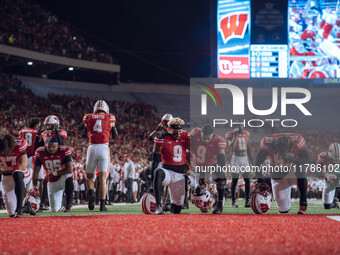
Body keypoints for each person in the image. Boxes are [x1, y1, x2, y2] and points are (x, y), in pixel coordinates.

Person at [254, 134, 310, 214]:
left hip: (293, 169)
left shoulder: (297, 142)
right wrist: (260, 181)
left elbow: (306, 161)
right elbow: (257, 162)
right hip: (278, 172)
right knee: (283, 209)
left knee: (300, 170)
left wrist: (289, 158)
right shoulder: (267, 143)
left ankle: (303, 204)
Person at [83, 100, 117, 211]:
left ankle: (91, 192)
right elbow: (115, 135)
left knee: (89, 177)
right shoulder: (110, 117)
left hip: (92, 147)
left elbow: (84, 134)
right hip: (103, 147)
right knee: (103, 179)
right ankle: (102, 205)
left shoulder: (88, 116)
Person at [151, 117, 190, 214]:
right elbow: (155, 159)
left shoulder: (186, 135)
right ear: (169, 130)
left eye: (179, 132)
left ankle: (169, 205)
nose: (177, 135)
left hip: (179, 174)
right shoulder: (162, 137)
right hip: (167, 171)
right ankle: (158, 206)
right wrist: (153, 181)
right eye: (175, 133)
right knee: (158, 171)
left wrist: (188, 166)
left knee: (176, 210)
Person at [191, 124, 227, 214]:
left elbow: (222, 162)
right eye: (204, 136)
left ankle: (220, 203)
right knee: (203, 206)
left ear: (212, 135)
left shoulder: (219, 140)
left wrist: (208, 172)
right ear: (201, 133)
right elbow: (189, 147)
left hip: (212, 167)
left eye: (208, 137)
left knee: (220, 174)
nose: (206, 139)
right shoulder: (195, 133)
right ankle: (213, 200)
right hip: (199, 169)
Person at [33, 137, 74, 212]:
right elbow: (35, 171)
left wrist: (54, 173)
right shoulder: (40, 152)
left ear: (58, 146)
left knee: (69, 176)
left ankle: (68, 206)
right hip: (52, 182)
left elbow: (69, 169)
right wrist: (34, 186)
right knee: (54, 209)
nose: (51, 149)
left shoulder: (64, 151)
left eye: (53, 147)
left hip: (62, 178)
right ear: (46, 146)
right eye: (49, 147)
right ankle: (60, 205)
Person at [0, 132, 31, 217]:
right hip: (6, 176)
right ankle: (27, 208)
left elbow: (22, 166)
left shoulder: (18, 145)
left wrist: (3, 169)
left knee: (17, 173)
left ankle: (20, 209)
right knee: (11, 213)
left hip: (22, 174)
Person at [225, 124, 253, 208]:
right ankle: (234, 202)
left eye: (242, 125)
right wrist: (235, 135)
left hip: (244, 158)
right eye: (239, 125)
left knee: (247, 180)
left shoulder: (246, 133)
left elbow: (247, 147)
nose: (241, 126)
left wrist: (251, 160)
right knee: (235, 181)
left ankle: (247, 201)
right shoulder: (230, 134)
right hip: (236, 158)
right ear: (236, 125)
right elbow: (231, 147)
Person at [317, 143, 340, 209]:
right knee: (328, 187)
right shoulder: (323, 156)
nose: (336, 160)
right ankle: (330, 203)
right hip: (329, 173)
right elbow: (317, 171)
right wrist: (325, 176)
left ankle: (335, 199)